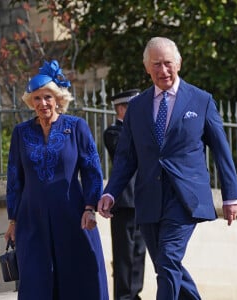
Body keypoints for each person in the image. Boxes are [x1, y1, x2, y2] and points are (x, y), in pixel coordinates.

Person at [98, 37, 237, 300]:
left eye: (167, 63)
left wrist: (231, 195)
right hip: (149, 197)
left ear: (179, 63)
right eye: (156, 65)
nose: (163, 71)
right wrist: (111, 192)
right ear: (147, 68)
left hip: (185, 197)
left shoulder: (201, 101)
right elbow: (127, 158)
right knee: (167, 265)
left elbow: (222, 151)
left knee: (167, 259)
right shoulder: (138, 106)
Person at [4, 60, 109, 300]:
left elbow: (92, 168)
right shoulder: (21, 132)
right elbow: (14, 177)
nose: (43, 103)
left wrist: (90, 207)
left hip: (73, 215)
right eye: (37, 98)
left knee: (78, 277)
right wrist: (13, 219)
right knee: (36, 280)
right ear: (31, 102)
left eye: (48, 97)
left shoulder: (76, 126)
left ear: (58, 99)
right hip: (32, 218)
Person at [103, 89, 146, 300]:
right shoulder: (114, 133)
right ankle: (123, 297)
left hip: (143, 201)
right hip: (125, 202)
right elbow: (128, 154)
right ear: (122, 109)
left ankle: (135, 294)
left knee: (139, 253)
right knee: (124, 255)